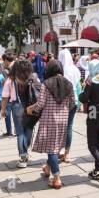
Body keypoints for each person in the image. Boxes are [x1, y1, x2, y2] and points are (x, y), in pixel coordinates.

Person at [26, 60, 75, 190]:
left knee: (51, 150)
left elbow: (41, 104)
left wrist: (31, 109)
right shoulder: (69, 84)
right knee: (56, 146)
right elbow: (73, 103)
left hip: (49, 120)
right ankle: (48, 168)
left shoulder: (46, 84)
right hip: (63, 120)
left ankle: (57, 177)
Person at [1, 59, 41, 168]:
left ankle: (23, 156)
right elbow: (40, 90)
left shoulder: (11, 79)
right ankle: (26, 149)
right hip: (31, 105)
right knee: (29, 128)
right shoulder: (32, 77)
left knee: (20, 132)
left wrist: (3, 110)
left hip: (16, 106)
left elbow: (5, 96)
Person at [58, 49, 82, 163]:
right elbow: (78, 87)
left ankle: (58, 151)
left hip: (60, 101)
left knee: (58, 126)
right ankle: (67, 153)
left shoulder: (58, 70)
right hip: (74, 100)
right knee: (69, 127)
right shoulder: (75, 69)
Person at [1, 53, 15, 137]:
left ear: (6, 60)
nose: (3, 62)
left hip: (9, 94)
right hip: (17, 94)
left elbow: (5, 83)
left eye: (4, 61)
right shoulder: (18, 67)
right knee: (17, 114)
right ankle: (17, 131)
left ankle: (9, 131)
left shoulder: (6, 70)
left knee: (7, 113)